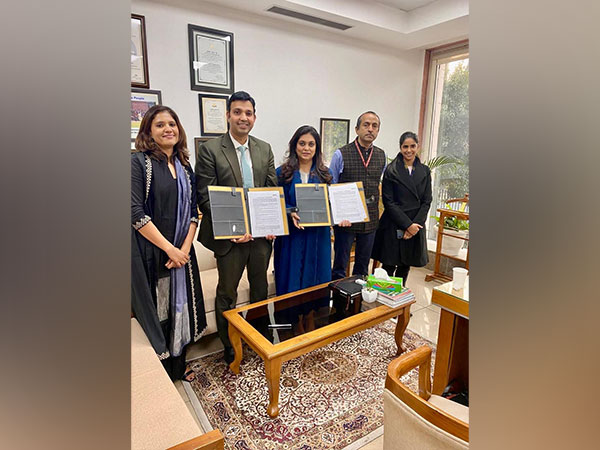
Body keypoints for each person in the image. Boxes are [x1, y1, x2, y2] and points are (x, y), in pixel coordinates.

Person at [195, 91, 277, 363]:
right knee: (226, 292)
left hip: (260, 237)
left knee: (259, 289)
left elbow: (270, 190)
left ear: (254, 117)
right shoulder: (210, 149)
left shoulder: (264, 148)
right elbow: (205, 196)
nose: (244, 117)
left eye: (249, 113)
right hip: (230, 239)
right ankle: (230, 346)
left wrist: (270, 222)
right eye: (238, 112)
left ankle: (257, 338)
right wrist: (234, 230)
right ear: (228, 115)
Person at [131, 105, 207, 382]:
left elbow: (193, 213)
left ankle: (180, 366)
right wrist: (170, 249)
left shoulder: (186, 167)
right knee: (161, 311)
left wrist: (185, 249)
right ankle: (162, 373)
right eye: (160, 125)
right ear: (148, 131)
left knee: (182, 306)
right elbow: (134, 213)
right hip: (153, 255)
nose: (168, 129)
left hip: (182, 255)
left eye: (172, 124)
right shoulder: (139, 163)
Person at [273, 125, 333, 332]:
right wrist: (290, 212)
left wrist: (342, 216)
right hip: (293, 237)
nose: (306, 148)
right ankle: (294, 320)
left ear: (316, 148)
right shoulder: (282, 173)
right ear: (294, 145)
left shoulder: (326, 174)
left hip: (318, 236)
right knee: (292, 277)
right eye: (302, 143)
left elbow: (332, 204)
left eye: (311, 144)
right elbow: (275, 202)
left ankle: (311, 318)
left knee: (317, 277)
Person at [329, 111, 387, 280]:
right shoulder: (341, 154)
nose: (370, 129)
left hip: (370, 218)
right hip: (345, 219)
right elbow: (332, 187)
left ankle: (357, 302)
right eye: (366, 125)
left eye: (374, 126)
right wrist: (336, 217)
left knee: (362, 266)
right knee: (340, 264)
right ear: (357, 129)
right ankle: (339, 303)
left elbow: (379, 184)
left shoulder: (381, 155)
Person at [371, 131, 432, 285]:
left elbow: (427, 200)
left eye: (412, 146)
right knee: (388, 266)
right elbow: (388, 202)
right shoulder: (391, 170)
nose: (409, 150)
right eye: (405, 146)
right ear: (400, 148)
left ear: (417, 147)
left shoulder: (425, 171)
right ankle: (384, 304)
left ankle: (399, 302)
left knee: (405, 266)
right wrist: (407, 225)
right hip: (394, 224)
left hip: (415, 225)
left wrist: (415, 226)